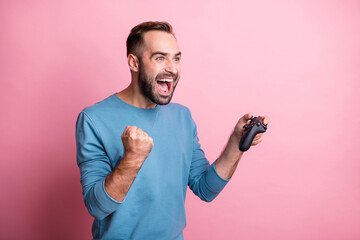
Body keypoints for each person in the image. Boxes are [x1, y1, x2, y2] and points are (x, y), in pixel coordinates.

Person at [76, 21, 269, 240]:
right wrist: (132, 159)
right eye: (160, 58)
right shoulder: (93, 118)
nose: (172, 68)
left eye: (176, 58)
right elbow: (97, 207)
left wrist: (236, 144)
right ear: (134, 62)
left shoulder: (182, 117)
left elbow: (206, 188)